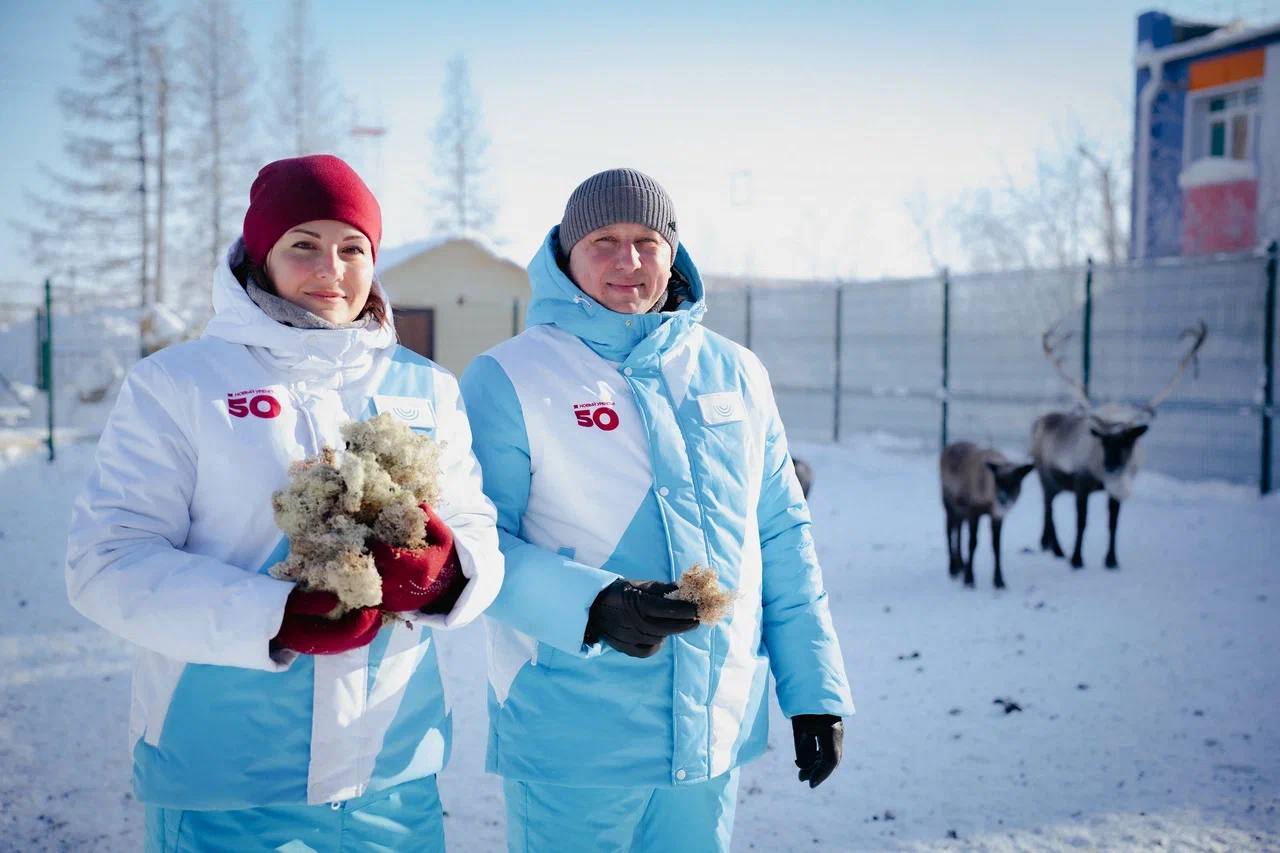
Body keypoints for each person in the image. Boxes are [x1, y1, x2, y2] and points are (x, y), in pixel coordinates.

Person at [65, 154, 503, 851]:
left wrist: (450, 570)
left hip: (391, 772)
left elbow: (478, 526)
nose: (332, 266)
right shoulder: (178, 383)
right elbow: (106, 562)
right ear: (261, 255)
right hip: (226, 776)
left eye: (352, 247)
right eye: (304, 244)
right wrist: (273, 616)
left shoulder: (425, 386)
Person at [460, 168, 853, 852]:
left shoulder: (736, 372)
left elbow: (782, 532)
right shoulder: (510, 376)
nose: (628, 260)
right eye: (603, 240)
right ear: (565, 252)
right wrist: (593, 605)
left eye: (646, 239)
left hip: (713, 728)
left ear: (673, 250)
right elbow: (478, 544)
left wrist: (813, 686)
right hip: (572, 732)